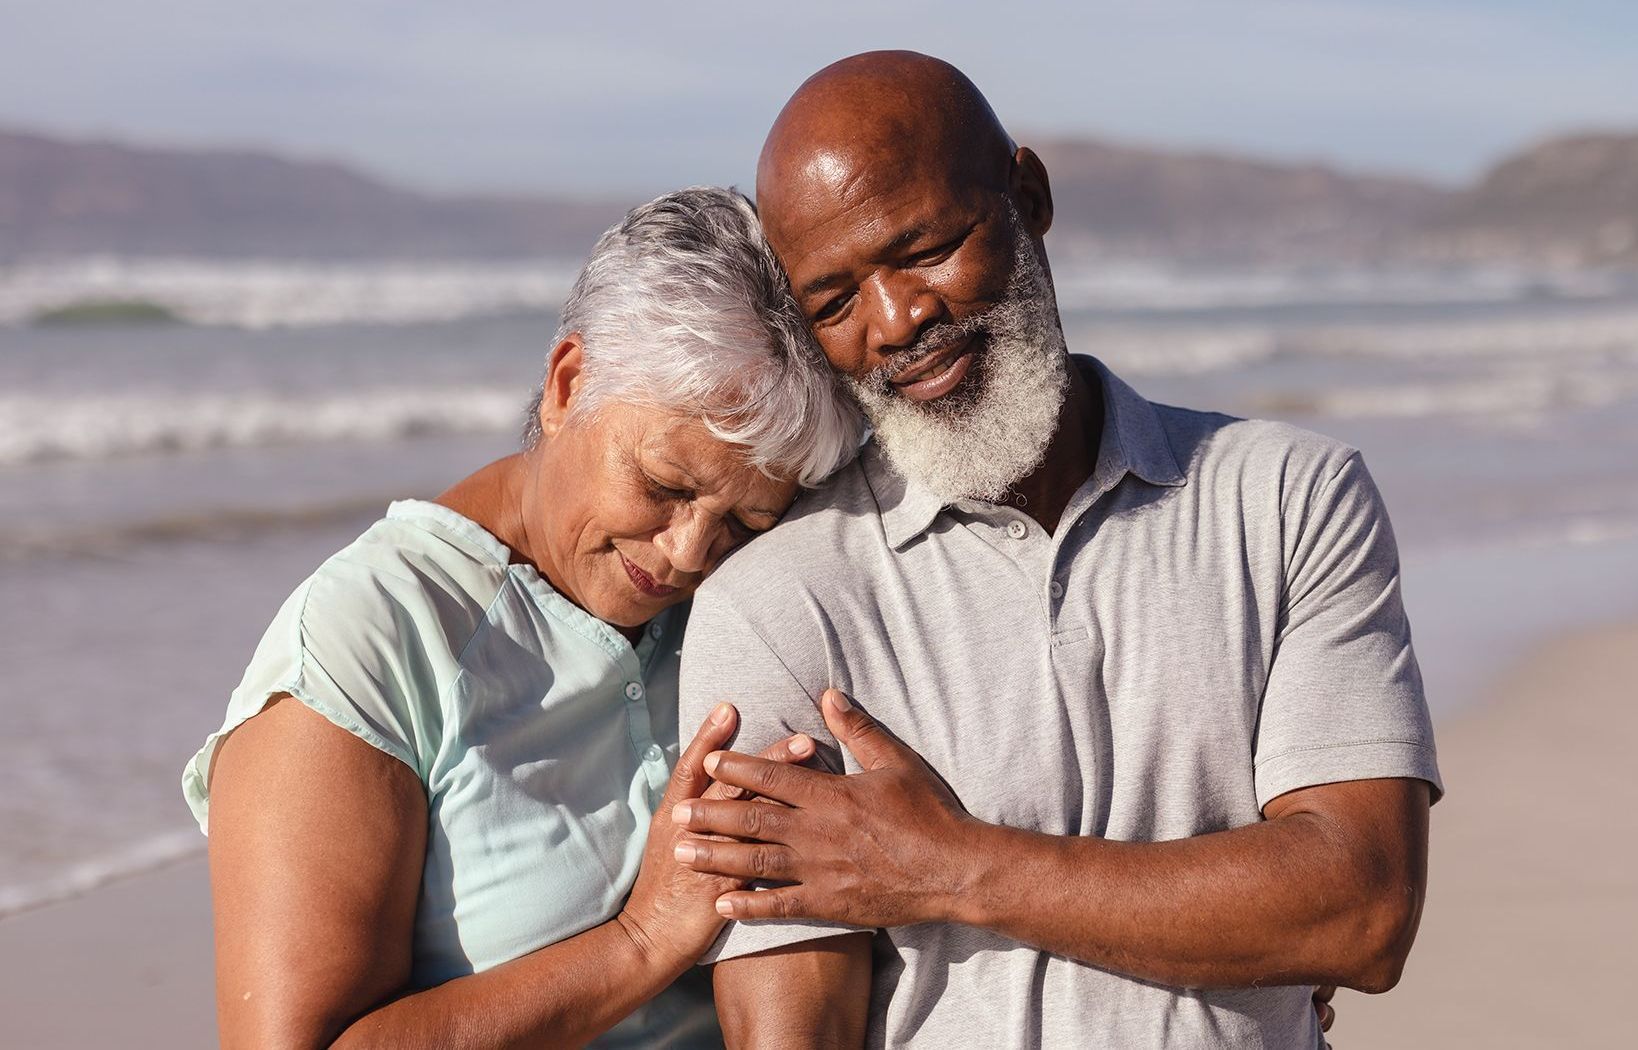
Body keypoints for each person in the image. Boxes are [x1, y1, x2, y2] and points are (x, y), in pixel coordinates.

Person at [671, 53, 1442, 1048]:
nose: (898, 320)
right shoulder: (779, 603)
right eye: (833, 302)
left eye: (928, 247)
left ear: (1028, 197)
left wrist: (945, 867)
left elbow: (1363, 912)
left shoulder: (1287, 498)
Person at [180, 187, 864, 1048]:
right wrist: (641, 940)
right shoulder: (373, 635)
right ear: (567, 385)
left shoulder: (739, 603)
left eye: (744, 521)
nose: (691, 551)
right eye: (663, 486)